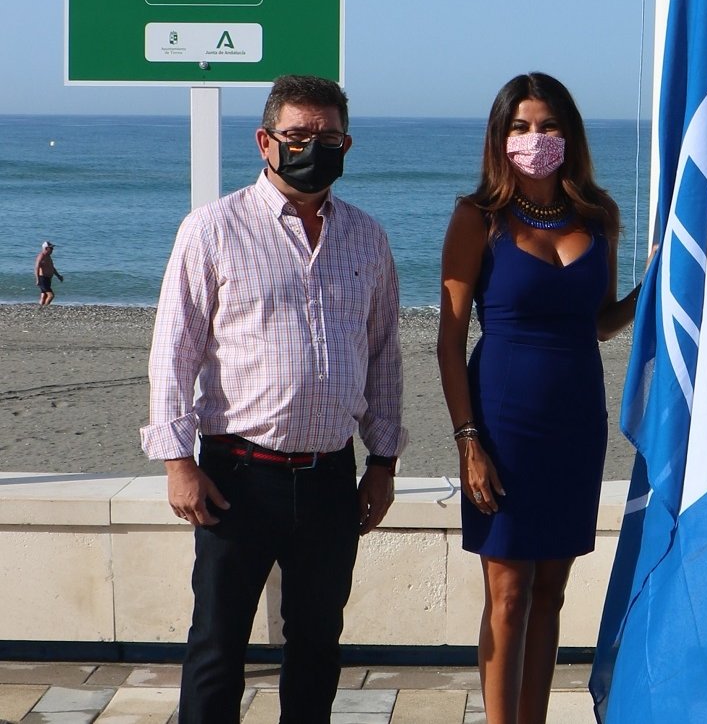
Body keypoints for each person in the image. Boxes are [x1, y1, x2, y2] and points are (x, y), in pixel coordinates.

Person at [140, 74, 407, 724]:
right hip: (236, 478)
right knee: (216, 649)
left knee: (317, 649)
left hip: (329, 481)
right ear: (265, 142)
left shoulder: (367, 239)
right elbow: (173, 351)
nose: (313, 147)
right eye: (297, 136)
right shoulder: (213, 229)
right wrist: (178, 462)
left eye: (328, 137)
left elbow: (384, 356)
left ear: (348, 144)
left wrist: (383, 462)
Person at [437, 72, 639, 724]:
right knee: (508, 592)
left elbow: (600, 321)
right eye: (521, 127)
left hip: (577, 422)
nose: (535, 138)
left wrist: (656, 286)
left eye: (548, 125)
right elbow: (448, 339)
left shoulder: (598, 216)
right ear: (500, 138)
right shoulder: (478, 218)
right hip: (502, 422)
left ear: (569, 135)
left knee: (551, 591)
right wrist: (468, 441)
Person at [35, 240, 63, 305]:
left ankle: (41, 308)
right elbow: (37, 268)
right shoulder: (41, 256)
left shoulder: (48, 256)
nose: (52, 250)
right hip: (42, 279)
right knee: (51, 295)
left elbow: (52, 268)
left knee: (44, 295)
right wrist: (37, 279)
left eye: (52, 248)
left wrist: (58, 276)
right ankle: (46, 308)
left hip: (48, 278)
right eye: (51, 248)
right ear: (46, 248)